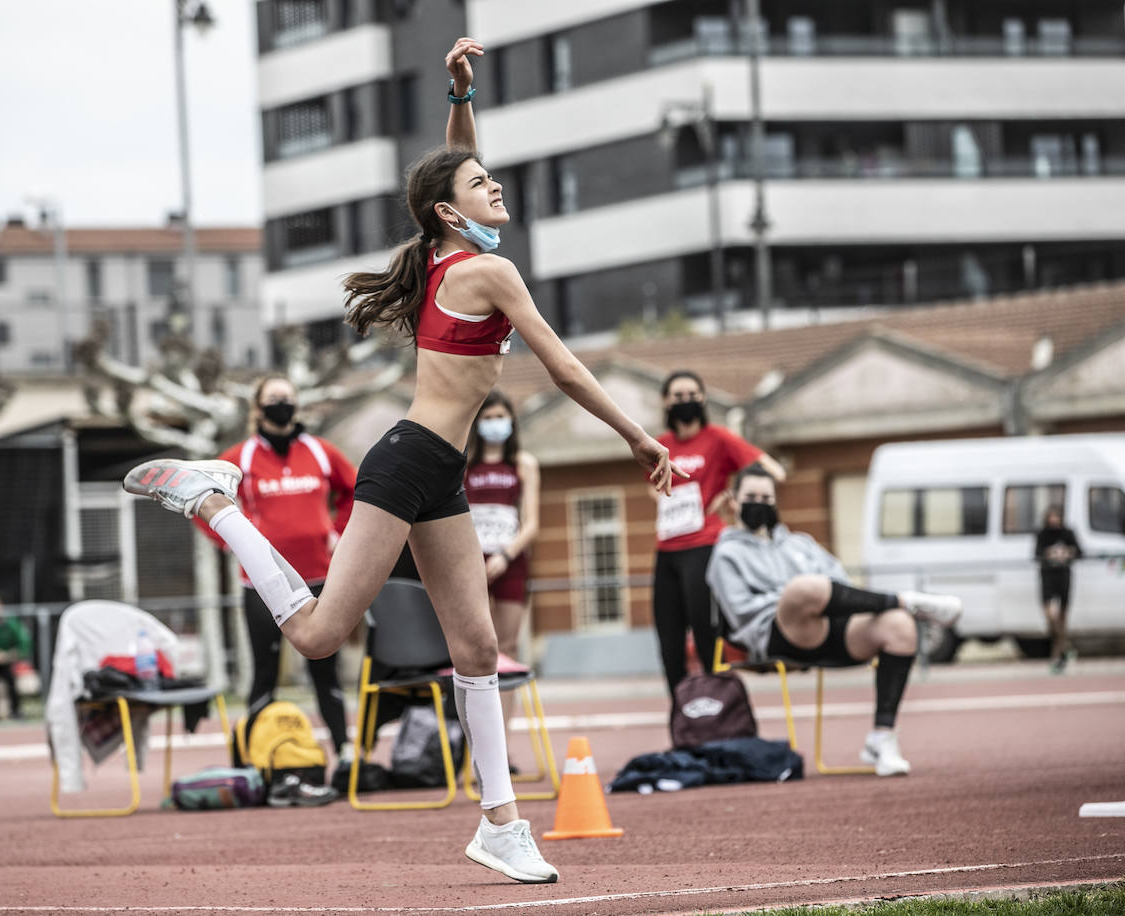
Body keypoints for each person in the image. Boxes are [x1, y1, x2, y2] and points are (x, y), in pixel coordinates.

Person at [124, 35, 680, 885]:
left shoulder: (440, 251)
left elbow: (447, 180)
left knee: (478, 650)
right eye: (482, 184)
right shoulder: (488, 272)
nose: (495, 183)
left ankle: (500, 824)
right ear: (456, 214)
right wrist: (637, 436)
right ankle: (217, 501)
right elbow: (563, 366)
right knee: (316, 636)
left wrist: (461, 96)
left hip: (437, 473)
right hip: (407, 462)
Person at [707, 465, 962, 776]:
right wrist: (796, 597)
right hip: (775, 634)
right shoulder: (726, 553)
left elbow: (839, 581)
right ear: (735, 500)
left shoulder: (800, 543)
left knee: (899, 626)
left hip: (829, 626)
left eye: (766, 496)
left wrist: (819, 598)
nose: (759, 502)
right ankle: (906, 599)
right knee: (803, 588)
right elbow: (742, 611)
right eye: (751, 496)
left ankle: (881, 739)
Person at [195, 374, 357, 763]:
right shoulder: (242, 457)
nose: (281, 403)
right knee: (265, 674)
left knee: (325, 673)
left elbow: (355, 491)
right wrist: (230, 541)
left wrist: (338, 533)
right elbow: (201, 499)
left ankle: (347, 754)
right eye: (273, 398)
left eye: (287, 397)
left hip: (320, 580)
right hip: (263, 584)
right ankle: (248, 758)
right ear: (258, 407)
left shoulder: (320, 452)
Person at [652, 369, 784, 699]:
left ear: (703, 399)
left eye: (692, 394)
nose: (686, 401)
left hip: (704, 546)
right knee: (669, 641)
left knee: (706, 632)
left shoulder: (719, 438)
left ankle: (717, 709)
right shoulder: (661, 445)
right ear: (666, 402)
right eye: (678, 396)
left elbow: (774, 470)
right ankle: (681, 713)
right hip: (666, 551)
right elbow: (655, 489)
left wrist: (736, 495)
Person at [464, 390, 539, 761]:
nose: (495, 423)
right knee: (475, 650)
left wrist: (505, 556)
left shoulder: (523, 464)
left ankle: (502, 748)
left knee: (506, 651)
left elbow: (532, 522)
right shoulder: (464, 464)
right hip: (469, 563)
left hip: (510, 563)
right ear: (478, 422)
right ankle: (478, 746)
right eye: (488, 416)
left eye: (501, 417)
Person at [1034, 505, 1081, 674]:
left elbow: (1080, 552)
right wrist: (1049, 553)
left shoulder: (1067, 533)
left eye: (1057, 516)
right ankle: (1066, 646)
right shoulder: (1042, 534)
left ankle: (1057, 658)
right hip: (1048, 576)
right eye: (1051, 516)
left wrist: (1068, 552)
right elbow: (1036, 553)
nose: (1054, 520)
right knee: (1050, 617)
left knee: (1062, 618)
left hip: (1063, 576)